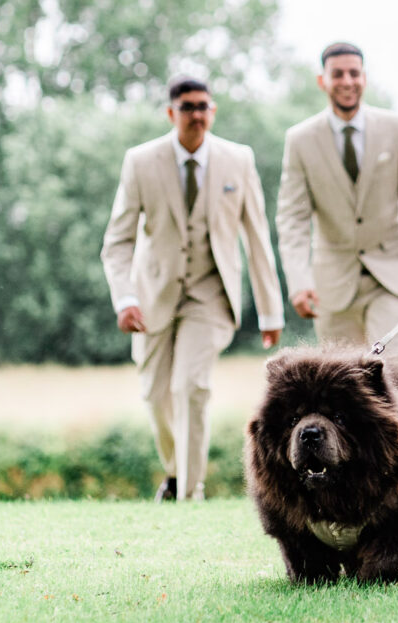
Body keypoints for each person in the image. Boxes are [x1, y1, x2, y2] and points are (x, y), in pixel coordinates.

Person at [101, 76, 284, 502]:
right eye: (187, 107)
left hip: (211, 295)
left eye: (203, 106)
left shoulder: (238, 159)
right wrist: (125, 298)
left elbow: (257, 238)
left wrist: (270, 311)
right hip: (152, 295)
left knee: (190, 386)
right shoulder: (140, 162)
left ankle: (189, 491)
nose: (197, 115)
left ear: (212, 111)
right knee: (155, 394)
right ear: (171, 113)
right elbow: (117, 241)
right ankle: (174, 471)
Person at [277, 42, 398, 354]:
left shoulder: (396, 129)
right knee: (342, 378)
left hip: (391, 277)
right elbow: (292, 219)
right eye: (338, 74)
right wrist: (299, 281)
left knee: (385, 370)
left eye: (354, 73)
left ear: (364, 78)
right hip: (332, 286)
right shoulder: (300, 140)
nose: (347, 81)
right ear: (322, 80)